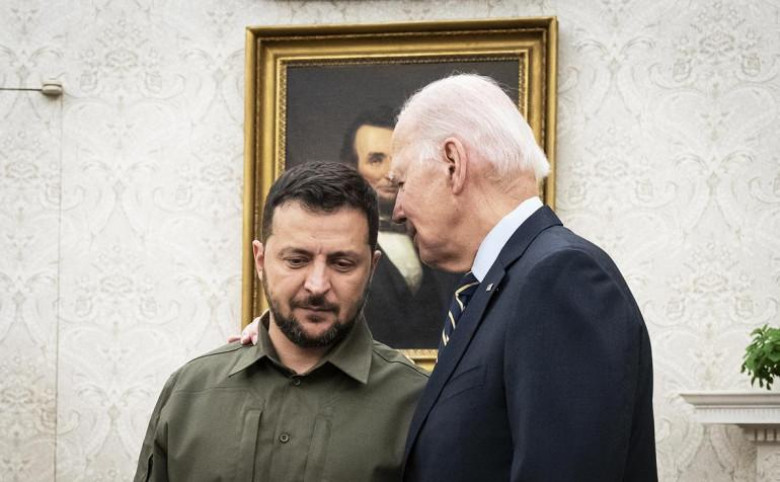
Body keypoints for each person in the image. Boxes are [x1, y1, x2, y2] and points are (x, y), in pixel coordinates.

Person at [390, 74, 657, 481]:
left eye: (402, 182)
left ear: (453, 163)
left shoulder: (560, 277)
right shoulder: (498, 285)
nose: (397, 210)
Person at [134, 162, 428, 481]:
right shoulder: (188, 393)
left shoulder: (417, 405)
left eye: (342, 263)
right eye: (296, 260)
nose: (317, 285)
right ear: (261, 260)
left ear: (372, 268)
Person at [340, 107, 459, 348]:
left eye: (397, 160)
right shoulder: (337, 244)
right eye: (376, 160)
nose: (390, 174)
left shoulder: (443, 238)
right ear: (352, 169)